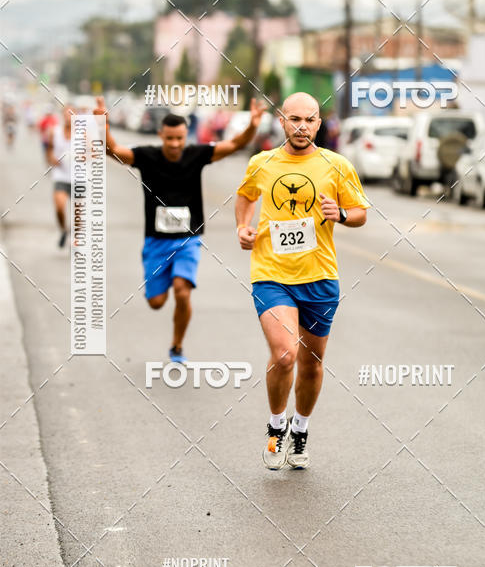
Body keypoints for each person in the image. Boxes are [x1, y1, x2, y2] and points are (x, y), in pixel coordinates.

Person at [235, 92, 369, 471]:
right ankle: (276, 427)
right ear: (281, 121)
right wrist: (243, 227)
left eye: (309, 120)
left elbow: (360, 213)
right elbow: (244, 198)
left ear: (318, 123)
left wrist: (340, 213)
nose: (301, 127)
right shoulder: (262, 163)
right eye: (294, 119)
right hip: (271, 274)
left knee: (311, 362)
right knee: (284, 354)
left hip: (320, 276)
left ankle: (301, 430)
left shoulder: (336, 164)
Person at [94, 95, 267, 363]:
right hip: (156, 241)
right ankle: (157, 291)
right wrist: (101, 125)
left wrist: (253, 124)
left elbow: (235, 144)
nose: (175, 144)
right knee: (156, 302)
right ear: (161, 135)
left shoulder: (196, 155)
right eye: (169, 138)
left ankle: (176, 346)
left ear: (186, 136)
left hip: (188, 240)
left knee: (182, 290)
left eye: (179, 138)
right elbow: (113, 150)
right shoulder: (147, 156)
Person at [45, 106, 74, 248]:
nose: (69, 117)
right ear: (63, 115)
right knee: (59, 206)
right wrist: (51, 158)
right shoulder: (54, 132)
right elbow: (49, 149)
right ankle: (63, 229)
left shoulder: (83, 134)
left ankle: (76, 241)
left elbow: (93, 152)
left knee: (79, 214)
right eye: (66, 114)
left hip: (79, 177)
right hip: (61, 175)